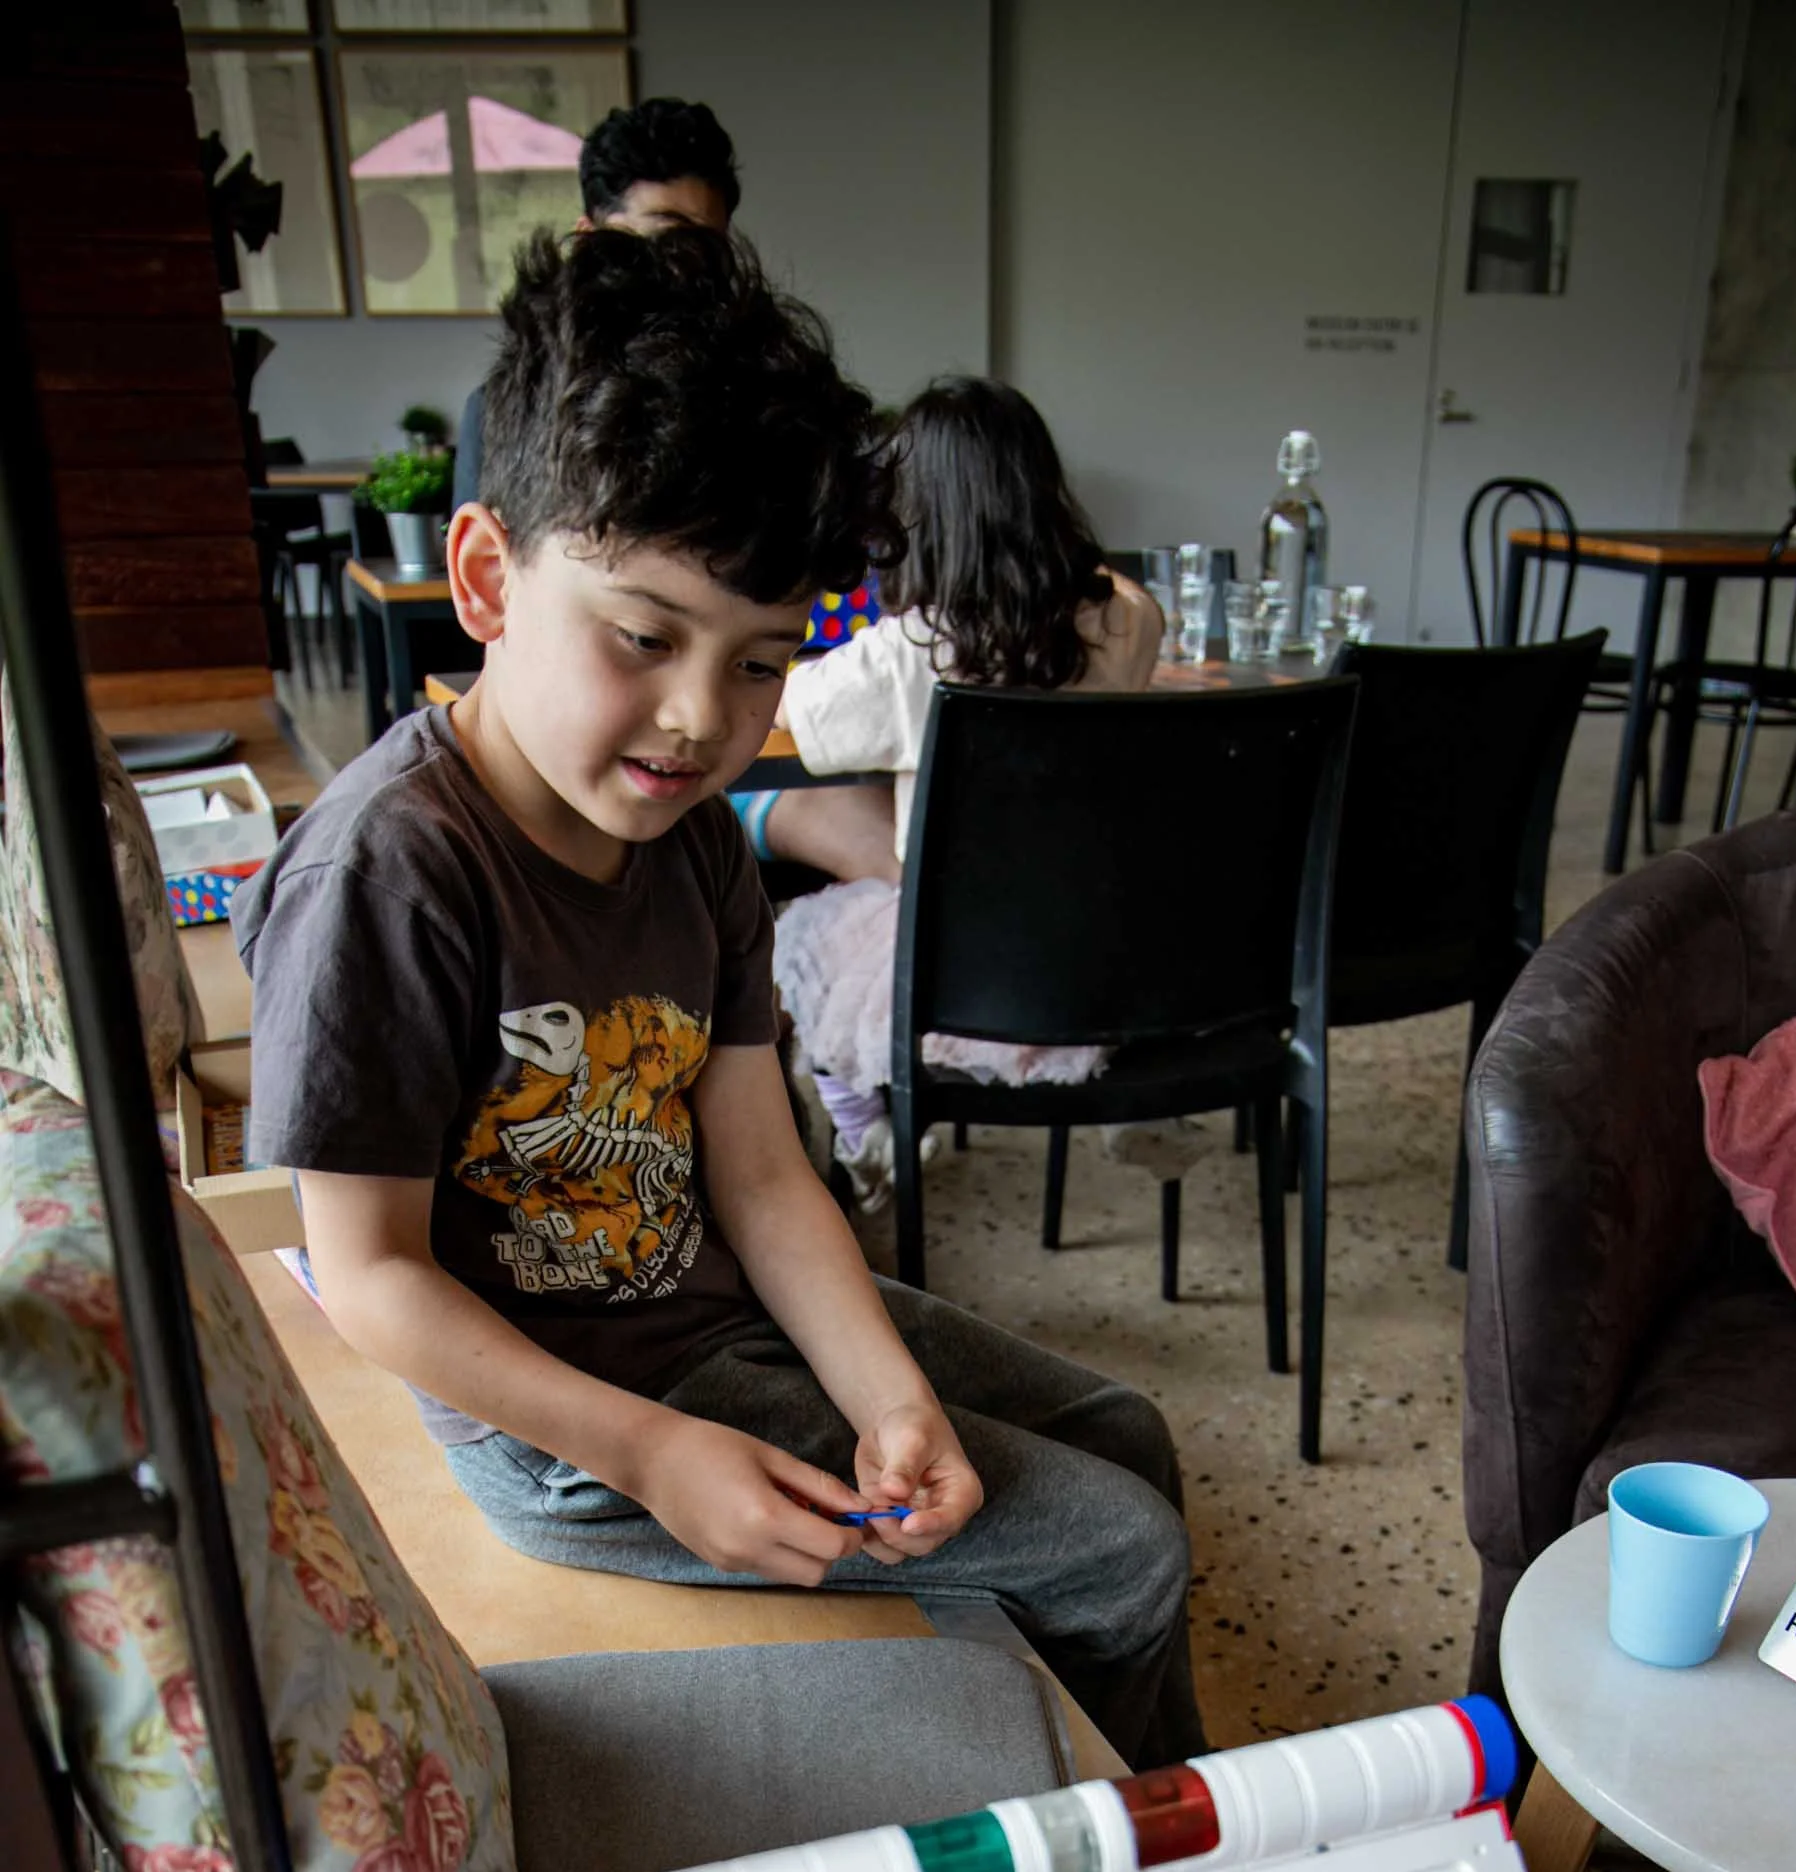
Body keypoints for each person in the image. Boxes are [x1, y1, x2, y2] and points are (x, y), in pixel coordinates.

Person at [241, 229, 1204, 1773]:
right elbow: (365, 1275)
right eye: (642, 637)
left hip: (709, 1315)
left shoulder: (694, 841)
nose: (703, 718)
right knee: (1122, 1551)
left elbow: (758, 1170)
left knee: (1124, 1439)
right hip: (582, 1431)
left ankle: (1078, 1779)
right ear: (486, 578)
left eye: (762, 663)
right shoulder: (389, 871)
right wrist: (651, 1454)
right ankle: (1144, 1867)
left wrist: (885, 1391)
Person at [760, 376, 1200, 1206]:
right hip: (1104, 948)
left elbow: (788, 709)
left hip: (956, 964)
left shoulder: (908, 651)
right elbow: (1109, 600)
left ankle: (867, 1142)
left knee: (808, 962)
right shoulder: (1130, 618)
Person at [449, 96, 741, 515]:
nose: (688, 268)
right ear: (589, 238)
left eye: (707, 245)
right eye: (665, 238)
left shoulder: (757, 402)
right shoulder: (510, 408)